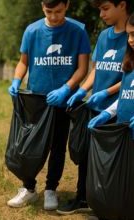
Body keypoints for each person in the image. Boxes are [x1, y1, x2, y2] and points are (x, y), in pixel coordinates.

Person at [7, 0, 90, 210]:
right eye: (49, 11)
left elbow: (82, 68)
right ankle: (28, 188)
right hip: (36, 100)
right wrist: (16, 80)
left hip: (64, 100)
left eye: (59, 11)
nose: (53, 17)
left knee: (58, 146)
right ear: (42, 7)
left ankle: (51, 189)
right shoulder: (32, 31)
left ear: (67, 5)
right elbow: (23, 61)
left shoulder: (78, 31)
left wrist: (66, 88)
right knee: (30, 145)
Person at [57, 0, 131, 215]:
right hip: (96, 109)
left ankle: (107, 203)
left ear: (123, 5)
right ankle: (83, 198)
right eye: (99, 9)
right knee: (87, 156)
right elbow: (97, 69)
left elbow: (130, 76)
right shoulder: (103, 36)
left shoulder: (132, 36)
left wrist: (107, 92)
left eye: (105, 8)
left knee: (109, 163)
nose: (101, 14)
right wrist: (83, 90)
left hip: (119, 111)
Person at [87, 12, 134, 220]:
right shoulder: (130, 63)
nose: (130, 40)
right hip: (124, 131)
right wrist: (108, 112)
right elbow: (125, 95)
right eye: (130, 35)